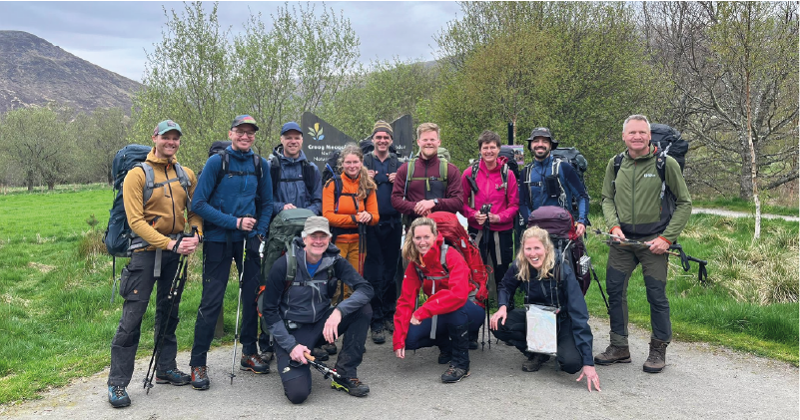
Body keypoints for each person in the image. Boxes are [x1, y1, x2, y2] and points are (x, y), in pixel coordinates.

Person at [107, 120, 202, 408]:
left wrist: (195, 235)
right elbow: (135, 222)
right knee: (132, 319)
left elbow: (195, 212)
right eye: (166, 137)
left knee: (169, 312)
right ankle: (117, 384)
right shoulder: (136, 175)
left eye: (175, 138)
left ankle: (165, 368)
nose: (171, 142)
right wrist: (170, 243)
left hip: (176, 254)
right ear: (155, 138)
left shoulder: (186, 174)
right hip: (144, 253)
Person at [594, 114, 691, 373]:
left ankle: (658, 350)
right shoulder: (615, 164)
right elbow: (606, 198)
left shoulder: (665, 164)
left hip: (654, 243)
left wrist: (666, 238)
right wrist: (613, 226)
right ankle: (619, 347)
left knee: (656, 296)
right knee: (615, 292)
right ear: (624, 136)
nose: (637, 137)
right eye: (632, 133)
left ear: (649, 136)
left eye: (642, 132)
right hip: (622, 243)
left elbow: (684, 203)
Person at [188, 115, 273, 390]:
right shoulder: (217, 162)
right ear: (231, 133)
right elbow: (198, 203)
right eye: (241, 131)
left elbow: (268, 204)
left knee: (251, 297)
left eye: (250, 133)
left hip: (248, 241)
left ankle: (249, 353)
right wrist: (234, 222)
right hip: (217, 239)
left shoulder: (261, 165)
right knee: (211, 301)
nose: (246, 136)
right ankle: (197, 363)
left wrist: (259, 231)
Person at [260, 217, 374, 403]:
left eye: (323, 236)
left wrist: (339, 312)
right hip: (292, 332)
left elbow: (366, 289)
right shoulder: (284, 265)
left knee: (363, 309)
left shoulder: (335, 261)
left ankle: (344, 374)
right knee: (298, 395)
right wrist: (291, 346)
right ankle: (297, 362)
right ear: (304, 238)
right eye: (314, 236)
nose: (318, 241)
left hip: (322, 324)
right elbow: (270, 312)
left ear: (329, 238)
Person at [490, 227, 600, 392]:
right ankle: (538, 353)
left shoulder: (562, 269)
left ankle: (555, 347)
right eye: (528, 248)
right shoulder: (520, 264)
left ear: (546, 248)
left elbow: (579, 315)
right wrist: (502, 306)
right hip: (536, 320)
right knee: (498, 323)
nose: (533, 254)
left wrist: (588, 363)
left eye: (537, 248)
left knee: (571, 364)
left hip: (562, 321)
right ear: (523, 249)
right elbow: (505, 286)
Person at [393, 217, 485, 383]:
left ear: (435, 236)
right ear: (412, 239)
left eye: (426, 237)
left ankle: (461, 364)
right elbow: (405, 301)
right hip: (439, 310)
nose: (422, 242)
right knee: (409, 339)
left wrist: (422, 311)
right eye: (418, 238)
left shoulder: (451, 255)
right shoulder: (416, 263)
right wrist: (398, 338)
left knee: (456, 308)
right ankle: (447, 346)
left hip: (470, 309)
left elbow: (458, 295)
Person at [262, 121, 325, 360]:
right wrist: (282, 207)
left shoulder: (310, 169)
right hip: (278, 237)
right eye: (288, 137)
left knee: (308, 286)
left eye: (296, 137)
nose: (292, 141)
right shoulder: (271, 167)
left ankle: (310, 339)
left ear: (302, 140)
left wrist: (303, 213)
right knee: (273, 285)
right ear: (282, 139)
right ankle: (268, 340)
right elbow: (264, 200)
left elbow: (318, 202)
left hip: (306, 237)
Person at [461, 130, 519, 298]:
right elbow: (461, 203)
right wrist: (473, 215)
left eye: (492, 147)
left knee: (502, 268)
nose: (489, 151)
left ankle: (505, 305)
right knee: (474, 267)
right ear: (480, 150)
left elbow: (515, 205)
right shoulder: (468, 173)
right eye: (485, 147)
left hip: (502, 231)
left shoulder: (508, 175)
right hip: (476, 229)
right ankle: (475, 303)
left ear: (498, 149)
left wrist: (498, 217)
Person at [362, 121, 403, 344]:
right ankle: (375, 319)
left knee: (391, 270)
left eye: (386, 137)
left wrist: (400, 181)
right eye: (378, 137)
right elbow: (351, 185)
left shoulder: (398, 163)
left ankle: (389, 314)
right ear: (373, 140)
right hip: (371, 225)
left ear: (391, 140)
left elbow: (407, 190)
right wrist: (363, 177)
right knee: (373, 272)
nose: (382, 140)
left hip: (394, 222)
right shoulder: (364, 161)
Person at [322, 143, 379, 298]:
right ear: (342, 164)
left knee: (355, 280)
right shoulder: (332, 185)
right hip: (337, 241)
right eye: (348, 162)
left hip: (359, 242)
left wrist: (369, 216)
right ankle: (334, 315)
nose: (352, 166)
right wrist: (355, 218)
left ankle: (353, 317)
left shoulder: (368, 186)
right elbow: (327, 216)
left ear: (361, 163)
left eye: (355, 162)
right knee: (336, 282)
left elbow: (375, 217)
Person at [519, 127, 589, 237]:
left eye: (545, 141)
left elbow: (581, 196)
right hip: (536, 232)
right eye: (536, 141)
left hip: (563, 230)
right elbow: (522, 202)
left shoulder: (564, 168)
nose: (540, 144)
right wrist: (530, 221)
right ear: (531, 146)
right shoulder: (526, 172)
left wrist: (581, 221)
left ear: (551, 146)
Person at [391, 122, 463, 228]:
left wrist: (435, 203)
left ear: (439, 142)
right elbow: (395, 199)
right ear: (418, 142)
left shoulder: (451, 170)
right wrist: (417, 207)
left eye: (432, 140)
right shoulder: (405, 169)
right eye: (425, 140)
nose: (429, 143)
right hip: (414, 232)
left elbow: (458, 201)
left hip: (444, 231)